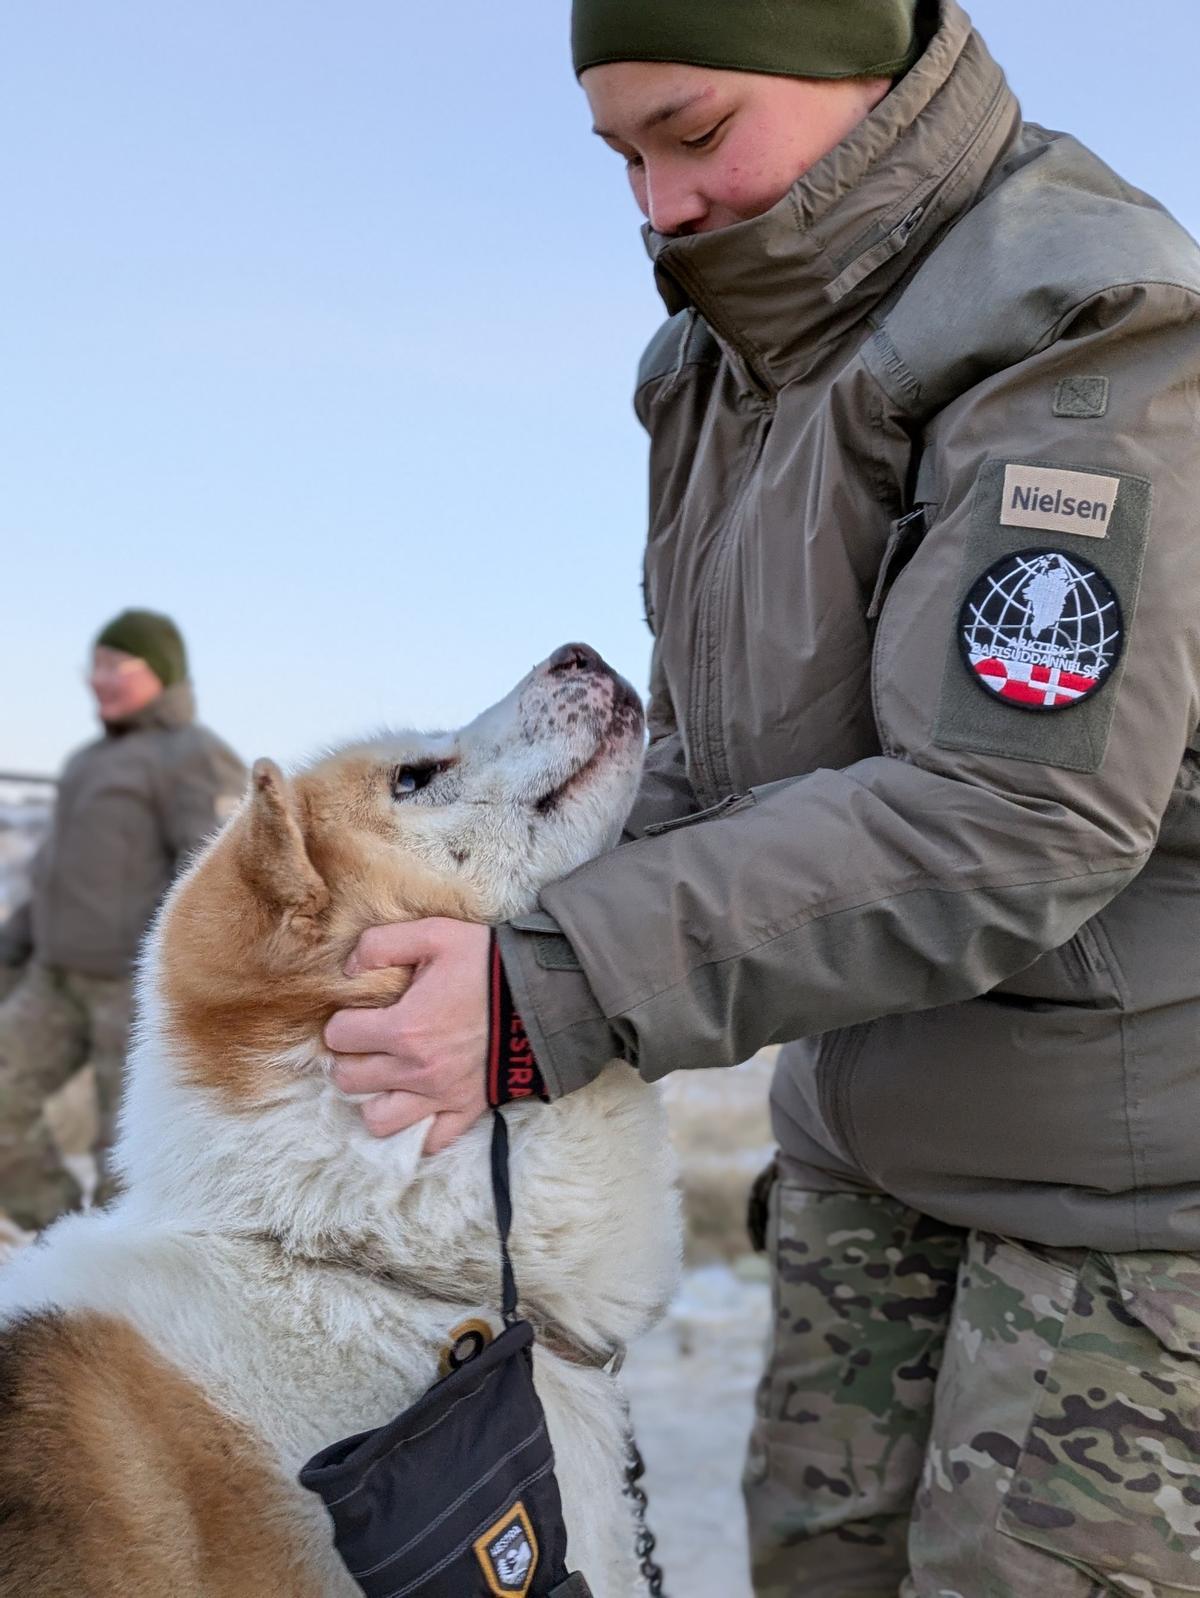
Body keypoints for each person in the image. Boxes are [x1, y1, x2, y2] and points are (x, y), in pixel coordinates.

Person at [324, 3, 1200, 1592]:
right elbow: (724, 773)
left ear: (857, 55)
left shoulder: (1090, 318)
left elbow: (1016, 812)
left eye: (696, 130)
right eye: (622, 153)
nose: (656, 205)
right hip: (867, 1149)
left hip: (1129, 1199)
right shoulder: (716, 360)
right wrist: (458, 931)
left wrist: (556, 984)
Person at [0, 609, 245, 1228]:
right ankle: (55, 1234)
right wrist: (12, 949)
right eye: (95, 666)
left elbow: (214, 880)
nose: (97, 680)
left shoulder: (194, 757)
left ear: (159, 670)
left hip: (131, 993)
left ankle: (108, 1281)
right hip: (53, 979)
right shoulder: (87, 761)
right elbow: (58, 871)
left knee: (126, 1159)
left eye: (115, 666)